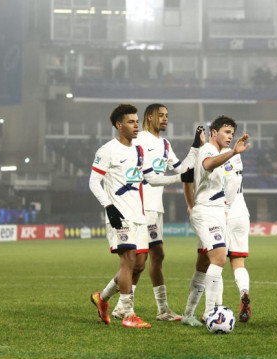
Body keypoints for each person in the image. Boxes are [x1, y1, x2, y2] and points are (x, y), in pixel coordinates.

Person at [88, 103, 194, 328]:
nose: (136, 125)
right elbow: (93, 181)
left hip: (140, 214)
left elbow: (151, 179)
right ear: (119, 125)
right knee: (128, 260)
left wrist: (179, 178)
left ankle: (103, 298)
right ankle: (128, 315)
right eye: (130, 121)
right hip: (119, 213)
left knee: (139, 265)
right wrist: (108, 206)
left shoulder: (138, 150)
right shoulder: (107, 150)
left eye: (136, 121)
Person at [111, 103, 204, 322]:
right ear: (149, 117)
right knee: (138, 262)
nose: (165, 119)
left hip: (156, 208)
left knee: (157, 255)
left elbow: (181, 169)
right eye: (161, 115)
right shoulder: (139, 139)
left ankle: (162, 309)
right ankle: (115, 303)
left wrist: (196, 146)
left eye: (167, 116)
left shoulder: (164, 144)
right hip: (141, 206)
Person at [180, 116, 250, 327]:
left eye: (232, 133)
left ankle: (188, 314)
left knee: (204, 264)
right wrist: (233, 153)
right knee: (220, 257)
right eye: (226, 132)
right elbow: (208, 164)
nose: (230, 137)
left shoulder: (214, 151)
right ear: (214, 132)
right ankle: (211, 312)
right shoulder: (209, 151)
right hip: (207, 212)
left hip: (218, 212)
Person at [222, 150, 252, 323]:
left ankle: (213, 308)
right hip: (242, 214)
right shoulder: (236, 155)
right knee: (238, 263)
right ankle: (244, 292)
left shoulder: (216, 154)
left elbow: (231, 181)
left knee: (215, 262)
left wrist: (225, 207)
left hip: (224, 212)